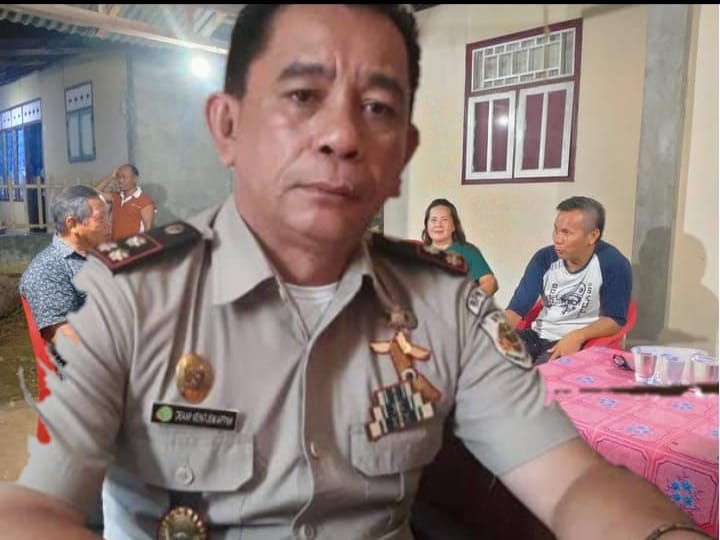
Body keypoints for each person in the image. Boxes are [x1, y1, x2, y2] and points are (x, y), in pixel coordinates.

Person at [0, 5, 708, 540]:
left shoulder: (445, 305)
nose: (341, 136)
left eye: (376, 108)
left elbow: (573, 480)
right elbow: (35, 507)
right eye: (302, 96)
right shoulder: (131, 295)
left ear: (403, 153)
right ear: (228, 126)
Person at [505, 196, 633, 364]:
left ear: (592, 236)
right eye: (556, 230)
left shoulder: (613, 264)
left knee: (540, 374)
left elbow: (615, 320)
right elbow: (516, 309)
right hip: (536, 336)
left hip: (576, 341)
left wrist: (578, 336)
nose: (557, 239)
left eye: (566, 233)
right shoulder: (543, 259)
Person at [19, 185, 110, 342]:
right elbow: (65, 336)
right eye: (100, 219)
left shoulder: (98, 255)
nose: (109, 224)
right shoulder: (46, 270)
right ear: (72, 224)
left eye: (108, 216)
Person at [421, 198, 498, 295]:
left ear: (454, 226)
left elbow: (490, 282)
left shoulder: (468, 251)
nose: (438, 224)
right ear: (426, 225)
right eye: (433, 220)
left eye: (444, 220)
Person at [95, 163, 155, 239]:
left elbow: (148, 229)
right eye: (118, 177)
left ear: (135, 179)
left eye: (124, 177)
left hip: (132, 245)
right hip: (116, 243)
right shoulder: (116, 197)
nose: (120, 180)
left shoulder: (144, 201)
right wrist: (111, 176)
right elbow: (94, 192)